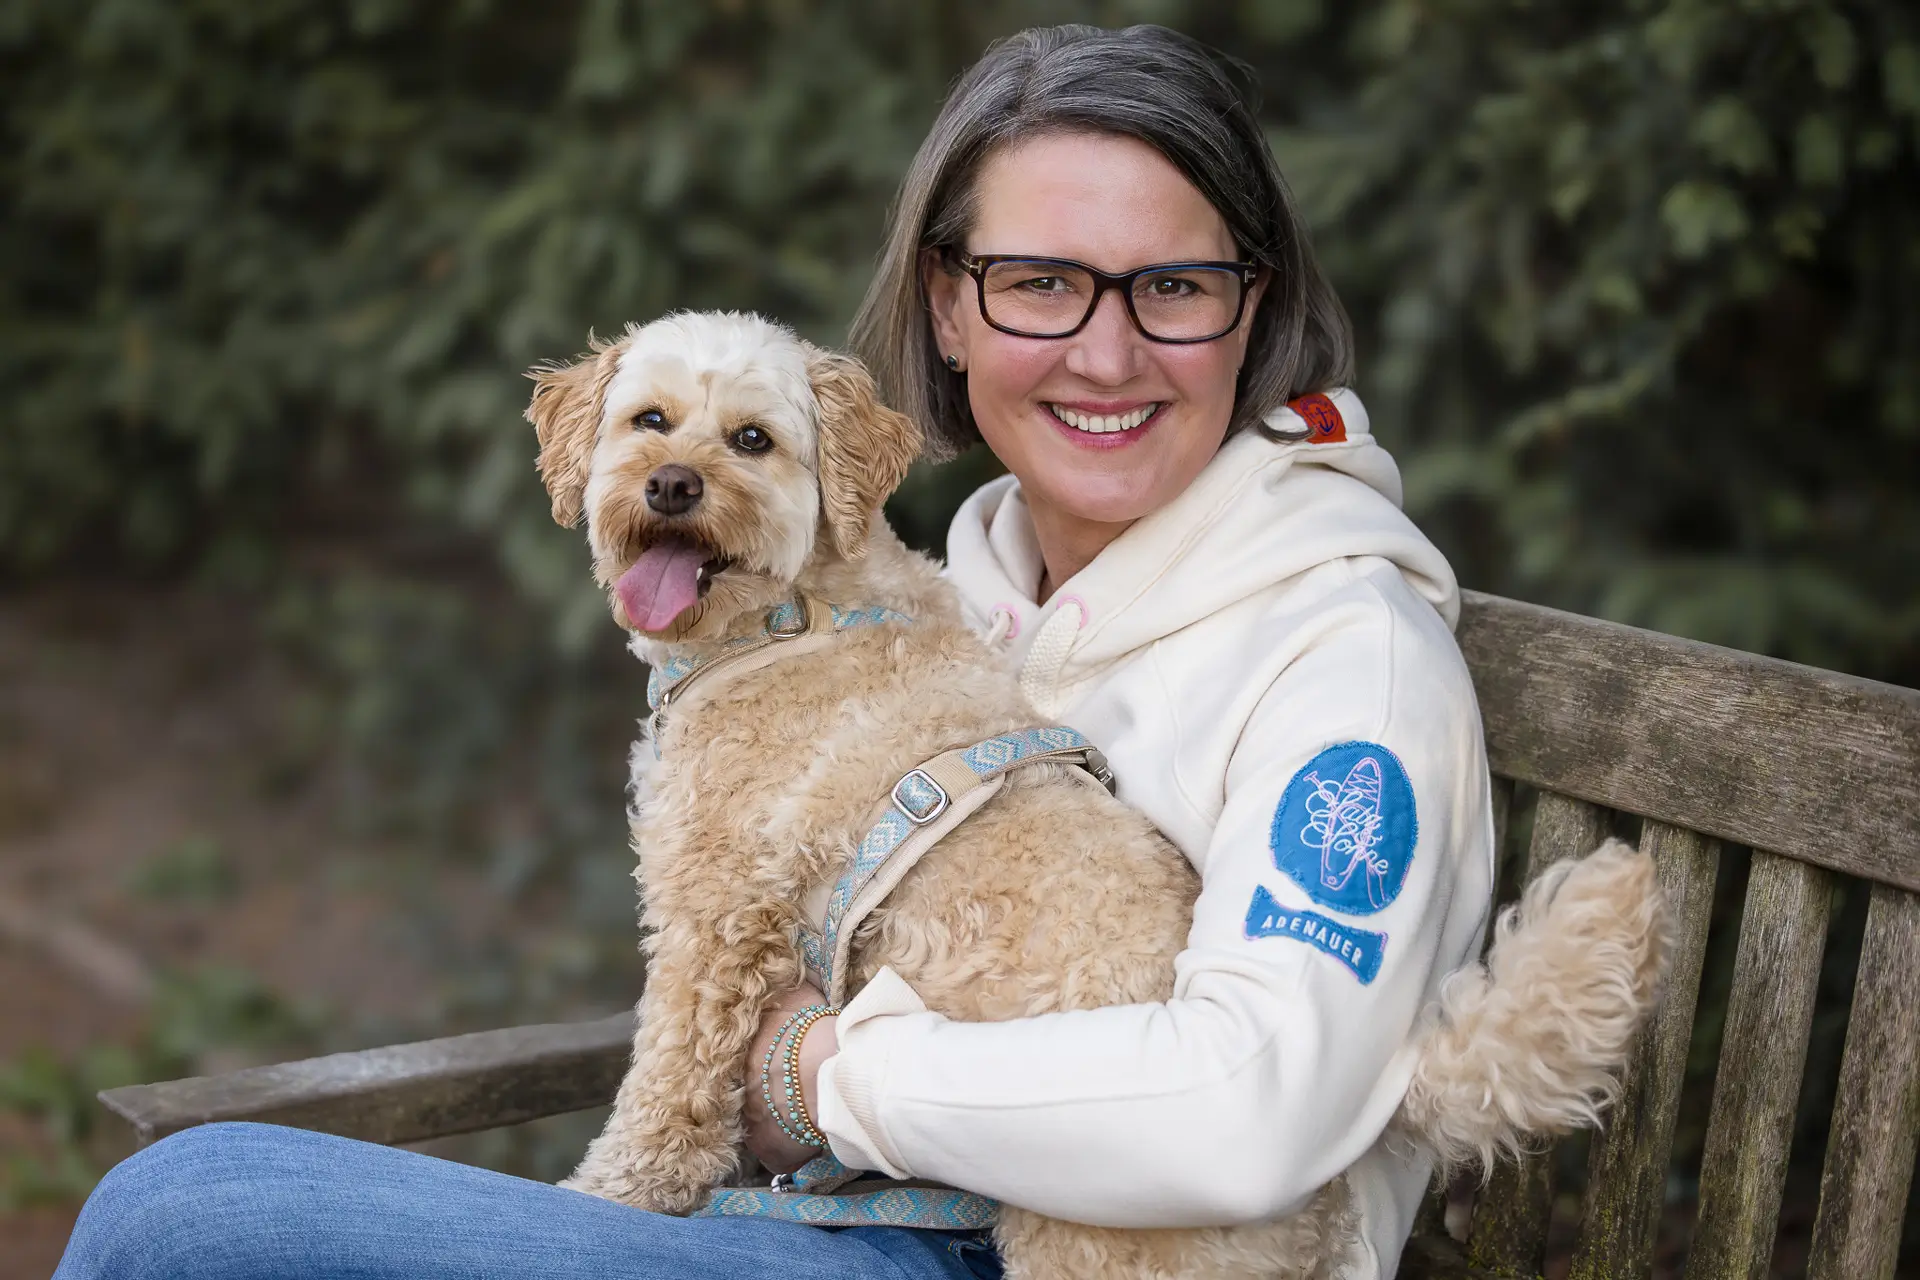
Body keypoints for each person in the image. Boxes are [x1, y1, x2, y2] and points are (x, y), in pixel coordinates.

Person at [55, 23, 1491, 1280]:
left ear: (1253, 302)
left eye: (1172, 285)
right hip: (814, 1218)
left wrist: (819, 1078)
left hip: (1037, 1251)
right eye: (1041, 282)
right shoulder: (933, 595)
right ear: (948, 303)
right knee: (184, 1206)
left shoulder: (1344, 657)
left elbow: (1249, 1116)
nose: (1106, 354)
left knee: (189, 1222)